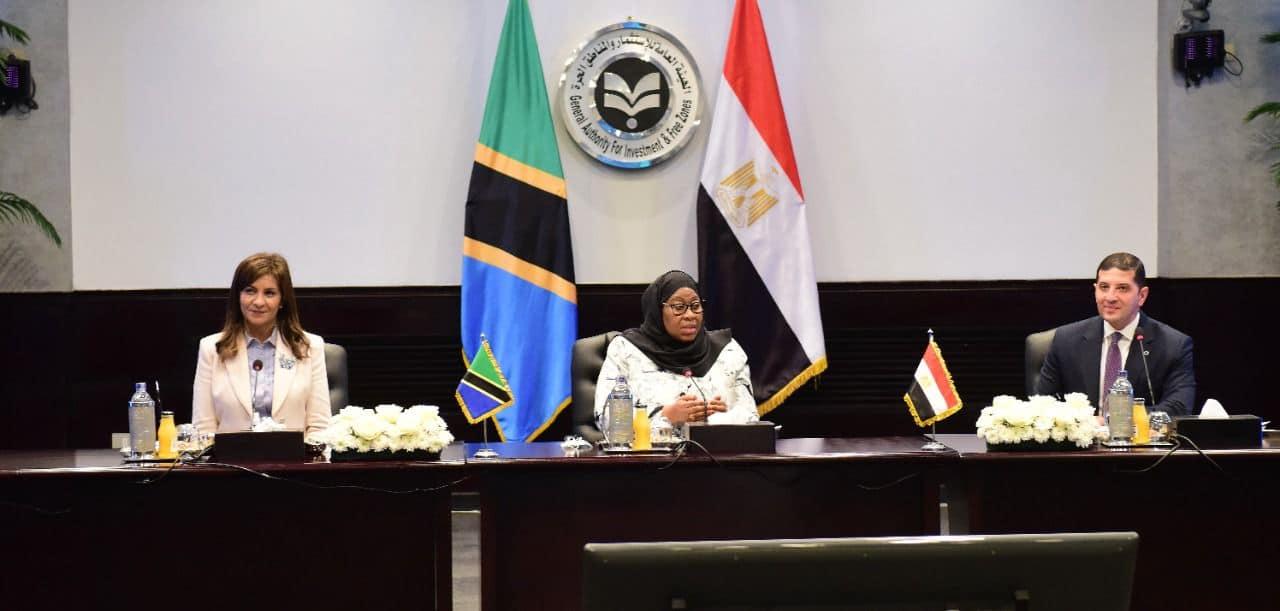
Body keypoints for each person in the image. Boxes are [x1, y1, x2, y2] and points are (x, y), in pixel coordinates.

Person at [595, 270, 758, 434]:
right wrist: (666, 416)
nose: (690, 315)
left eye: (695, 306)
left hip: (718, 447)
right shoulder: (625, 350)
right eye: (679, 307)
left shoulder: (727, 349)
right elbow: (608, 420)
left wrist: (719, 419)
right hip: (651, 450)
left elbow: (751, 417)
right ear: (657, 310)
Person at [1034, 252, 1195, 416]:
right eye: (1104, 287)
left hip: (1138, 432)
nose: (1110, 297)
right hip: (1084, 431)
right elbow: (1043, 404)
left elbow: (1179, 406)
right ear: (1095, 290)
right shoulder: (1066, 339)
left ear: (1142, 296)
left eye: (1122, 288)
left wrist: (1116, 420)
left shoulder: (1173, 345)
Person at [193, 252, 331, 436]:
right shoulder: (211, 348)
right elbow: (203, 429)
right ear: (238, 296)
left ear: (282, 300)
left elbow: (319, 427)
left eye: (269, 293)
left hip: (293, 454)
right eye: (250, 291)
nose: (258, 302)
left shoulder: (310, 347)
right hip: (230, 454)